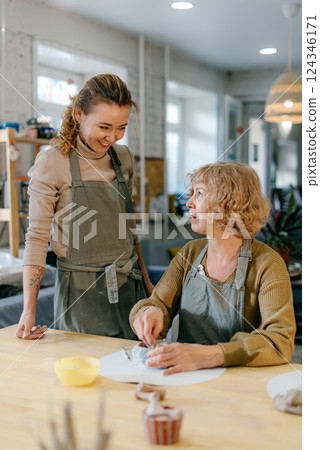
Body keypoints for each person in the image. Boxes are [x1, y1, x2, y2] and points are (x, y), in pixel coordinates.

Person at [16, 74, 153, 340]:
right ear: (79, 114)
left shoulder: (123, 158)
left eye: (121, 127)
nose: (112, 137)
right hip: (81, 294)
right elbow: (36, 238)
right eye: (104, 127)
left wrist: (146, 281)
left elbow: (129, 227)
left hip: (130, 290)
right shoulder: (53, 162)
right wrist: (28, 310)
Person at [130, 162, 296, 375]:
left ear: (230, 202)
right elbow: (158, 302)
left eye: (199, 193)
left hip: (240, 380)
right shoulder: (190, 253)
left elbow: (280, 341)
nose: (189, 203)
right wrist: (149, 312)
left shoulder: (268, 263)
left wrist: (213, 355)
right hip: (184, 374)